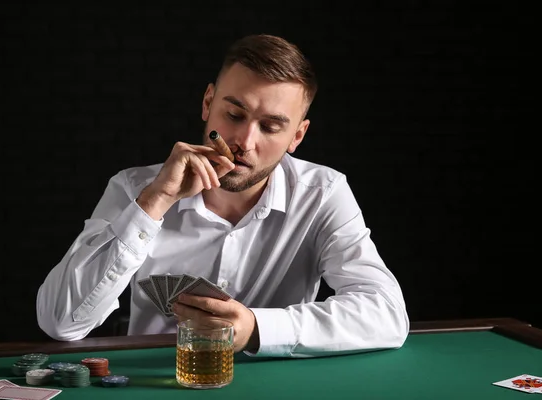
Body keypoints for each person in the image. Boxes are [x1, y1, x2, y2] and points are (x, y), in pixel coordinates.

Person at [36, 33, 410, 358]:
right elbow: (60, 323)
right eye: (233, 114)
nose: (244, 142)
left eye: (270, 127)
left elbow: (387, 314)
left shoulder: (323, 193)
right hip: (156, 382)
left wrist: (255, 329)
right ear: (207, 103)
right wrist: (153, 203)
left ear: (297, 136)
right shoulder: (134, 189)